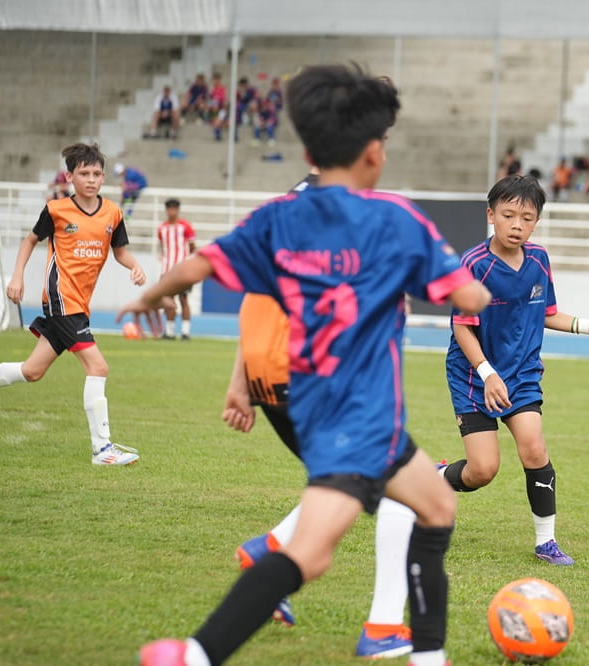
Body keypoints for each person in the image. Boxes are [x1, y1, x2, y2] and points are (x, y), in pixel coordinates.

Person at [130, 63, 491, 666]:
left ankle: (428, 655)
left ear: (306, 153)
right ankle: (196, 653)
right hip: (358, 421)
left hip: (332, 411)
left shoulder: (279, 217)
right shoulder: (395, 219)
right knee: (310, 554)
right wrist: (471, 289)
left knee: (436, 505)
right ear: (374, 153)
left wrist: (149, 297)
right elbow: (468, 297)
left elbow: (199, 265)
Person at [223, 168, 420, 657]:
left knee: (351, 483)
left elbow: (257, 299)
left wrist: (240, 385)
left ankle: (269, 548)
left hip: (269, 378)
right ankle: (382, 627)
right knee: (406, 495)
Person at [439, 174, 589, 567]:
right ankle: (432, 480)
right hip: (474, 376)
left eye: (526, 218)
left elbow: (547, 313)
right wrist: (488, 374)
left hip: (521, 375)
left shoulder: (539, 260)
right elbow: (462, 327)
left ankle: (546, 542)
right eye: (508, 215)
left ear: (536, 222)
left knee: (534, 447)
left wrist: (588, 326)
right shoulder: (473, 264)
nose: (517, 225)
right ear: (491, 215)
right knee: (483, 471)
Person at [0, 142, 146, 466]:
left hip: (79, 304)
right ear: (70, 176)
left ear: (104, 177)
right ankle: (102, 450)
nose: (91, 179)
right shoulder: (56, 210)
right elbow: (30, 240)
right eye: (84, 173)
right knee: (98, 367)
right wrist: (17, 277)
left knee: (32, 371)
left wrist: (135, 266)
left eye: (97, 174)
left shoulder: (113, 213)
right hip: (62, 299)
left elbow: (119, 251)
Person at [156, 199, 197, 340]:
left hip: (182, 270)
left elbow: (192, 246)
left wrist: (185, 260)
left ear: (178, 210)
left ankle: (185, 332)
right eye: (169, 208)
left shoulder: (185, 226)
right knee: (168, 300)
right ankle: (170, 331)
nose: (172, 211)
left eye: (174, 208)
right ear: (166, 210)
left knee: (183, 299)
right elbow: (163, 246)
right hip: (167, 270)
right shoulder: (162, 228)